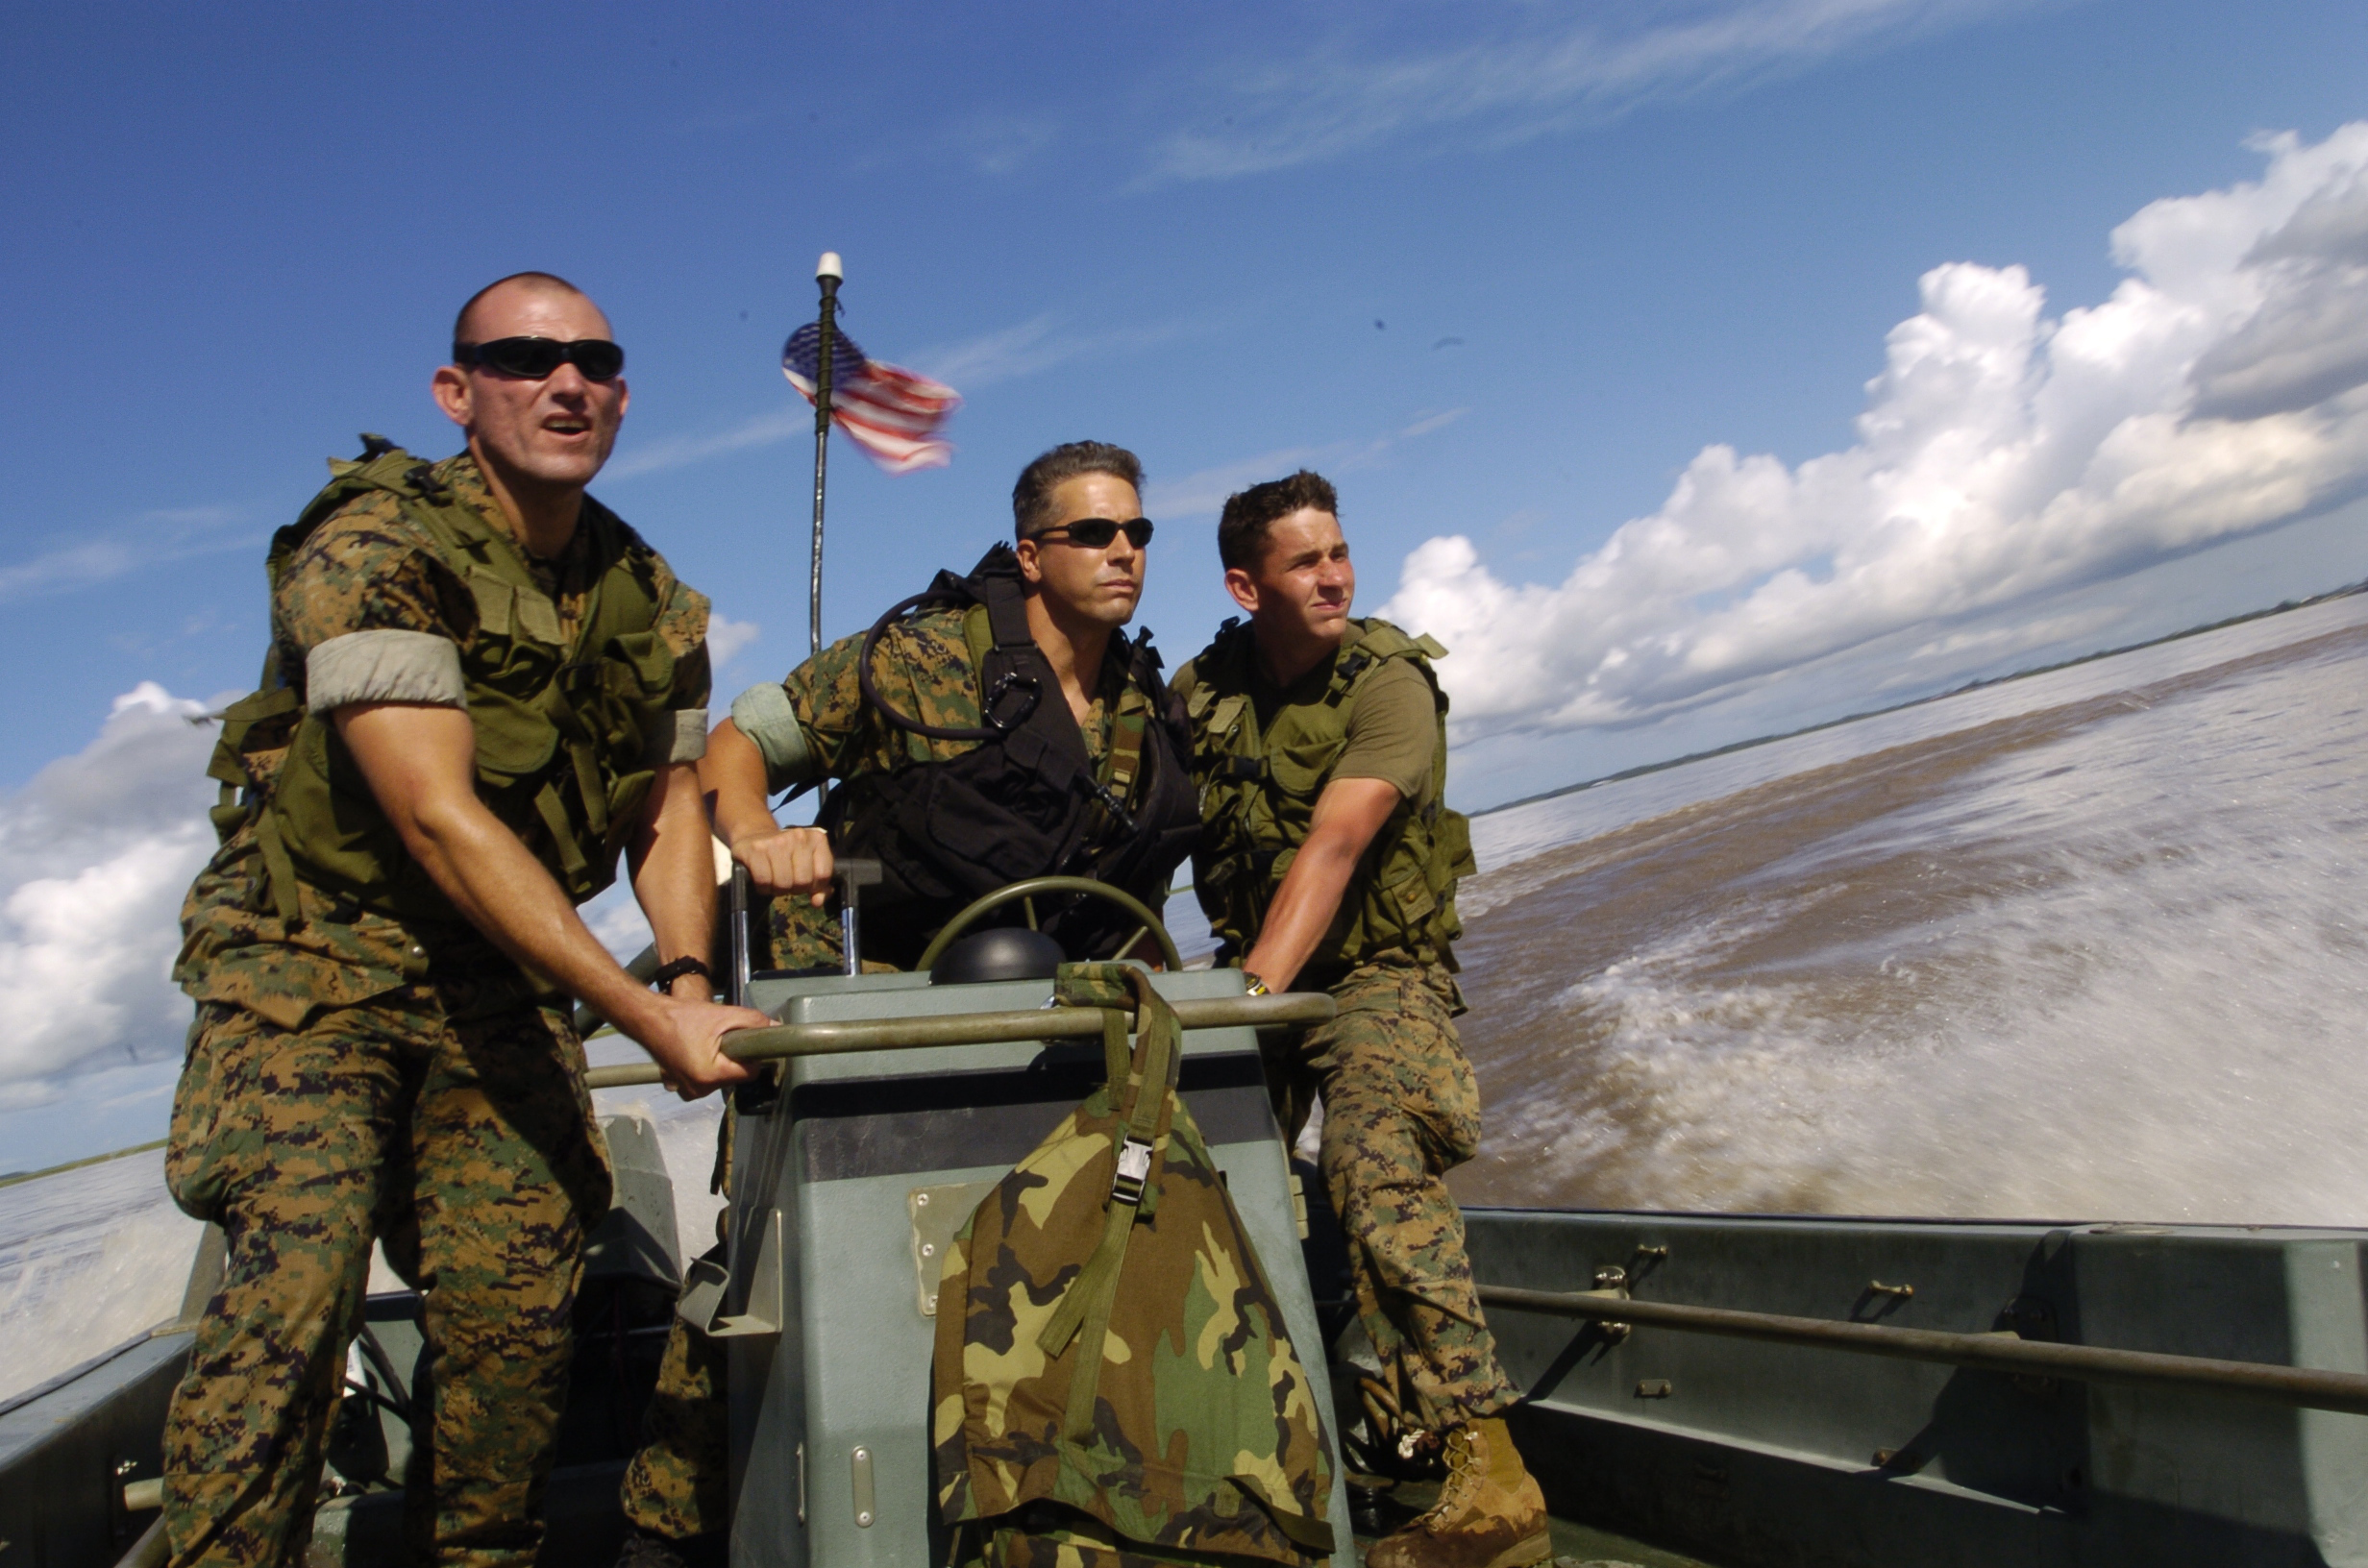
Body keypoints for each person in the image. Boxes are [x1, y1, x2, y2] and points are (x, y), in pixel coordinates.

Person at [161, 272, 769, 1568]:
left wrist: (686, 969)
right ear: (458, 392)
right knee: (293, 1308)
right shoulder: (373, 549)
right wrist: (643, 1016)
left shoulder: (650, 600)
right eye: (524, 358)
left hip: (495, 980)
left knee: (518, 1326)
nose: (566, 383)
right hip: (311, 970)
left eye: (594, 360)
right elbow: (437, 819)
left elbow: (666, 811)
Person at [613, 440, 1201, 1567]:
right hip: (876, 996)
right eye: (1094, 533)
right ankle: (662, 1523)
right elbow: (737, 747)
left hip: (1047, 1018)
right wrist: (760, 838)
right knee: (768, 1250)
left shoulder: (1140, 694)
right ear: (1031, 555)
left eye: (1137, 533)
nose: (1124, 552)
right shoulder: (919, 657)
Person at [1171, 471, 1548, 1568]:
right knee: (1171, 1172)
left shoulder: (1389, 684)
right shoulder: (1203, 691)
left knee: (1374, 1164)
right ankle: (1247, 1435)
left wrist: (1236, 1011)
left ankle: (1495, 1478)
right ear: (1248, 585)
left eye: (1337, 552)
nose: (1333, 575)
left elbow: (1335, 848)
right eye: (1304, 561)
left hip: (1377, 975)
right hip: (1260, 973)